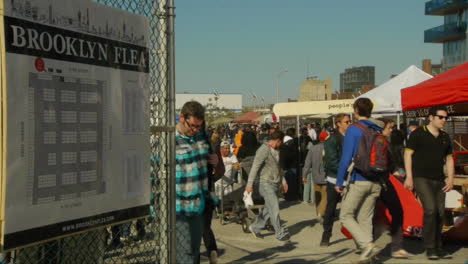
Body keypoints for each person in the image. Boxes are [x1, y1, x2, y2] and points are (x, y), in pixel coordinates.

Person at [335, 98, 383, 263]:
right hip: (376, 179)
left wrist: (339, 182)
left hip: (359, 178)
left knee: (345, 215)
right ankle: (368, 256)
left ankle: (367, 245)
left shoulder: (353, 130)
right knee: (365, 218)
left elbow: (346, 158)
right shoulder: (376, 129)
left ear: (356, 110)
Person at [404, 105, 454, 260]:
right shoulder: (418, 134)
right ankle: (430, 246)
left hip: (439, 179)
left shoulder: (445, 137)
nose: (444, 120)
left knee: (439, 213)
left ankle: (438, 245)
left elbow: (449, 159)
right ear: (431, 118)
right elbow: (408, 155)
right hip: (421, 177)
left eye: (446, 118)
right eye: (441, 117)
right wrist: (409, 176)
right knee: (431, 209)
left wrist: (451, 178)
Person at [175, 101, 218, 264]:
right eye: (192, 126)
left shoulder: (202, 137)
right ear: (182, 118)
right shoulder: (169, 140)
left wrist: (214, 160)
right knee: (185, 254)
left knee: (193, 253)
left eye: (198, 127)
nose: (195, 130)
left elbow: (212, 162)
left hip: (199, 206)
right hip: (179, 208)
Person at [245, 131, 290, 242]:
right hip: (265, 184)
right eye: (281, 143)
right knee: (274, 208)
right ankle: (279, 233)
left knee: (268, 209)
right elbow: (255, 167)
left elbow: (279, 167)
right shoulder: (263, 150)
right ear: (277, 140)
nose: (281, 145)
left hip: (275, 183)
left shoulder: (277, 150)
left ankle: (254, 227)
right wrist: (249, 185)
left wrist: (283, 181)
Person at [376, 118, 409, 259]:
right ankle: (395, 247)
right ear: (381, 128)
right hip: (382, 181)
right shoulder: (382, 143)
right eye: (390, 127)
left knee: (374, 216)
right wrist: (400, 173)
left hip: (376, 181)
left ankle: (367, 245)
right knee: (396, 211)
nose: (392, 130)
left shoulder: (378, 142)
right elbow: (389, 166)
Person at [320, 113, 350, 247]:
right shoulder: (332, 140)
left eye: (349, 121)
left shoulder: (351, 137)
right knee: (331, 209)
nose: (349, 124)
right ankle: (326, 235)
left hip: (350, 178)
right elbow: (332, 162)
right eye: (346, 122)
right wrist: (347, 170)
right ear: (338, 124)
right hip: (334, 178)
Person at [302, 131, 329, 222]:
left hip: (315, 176)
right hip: (327, 176)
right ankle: (321, 213)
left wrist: (304, 175)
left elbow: (307, 163)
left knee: (318, 195)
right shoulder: (329, 148)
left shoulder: (313, 148)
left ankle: (318, 212)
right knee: (325, 196)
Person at [281, 128, 300, 201]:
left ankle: (286, 195)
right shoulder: (291, 142)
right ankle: (291, 196)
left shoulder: (283, 142)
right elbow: (293, 154)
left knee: (286, 181)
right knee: (291, 182)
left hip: (285, 166)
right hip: (291, 165)